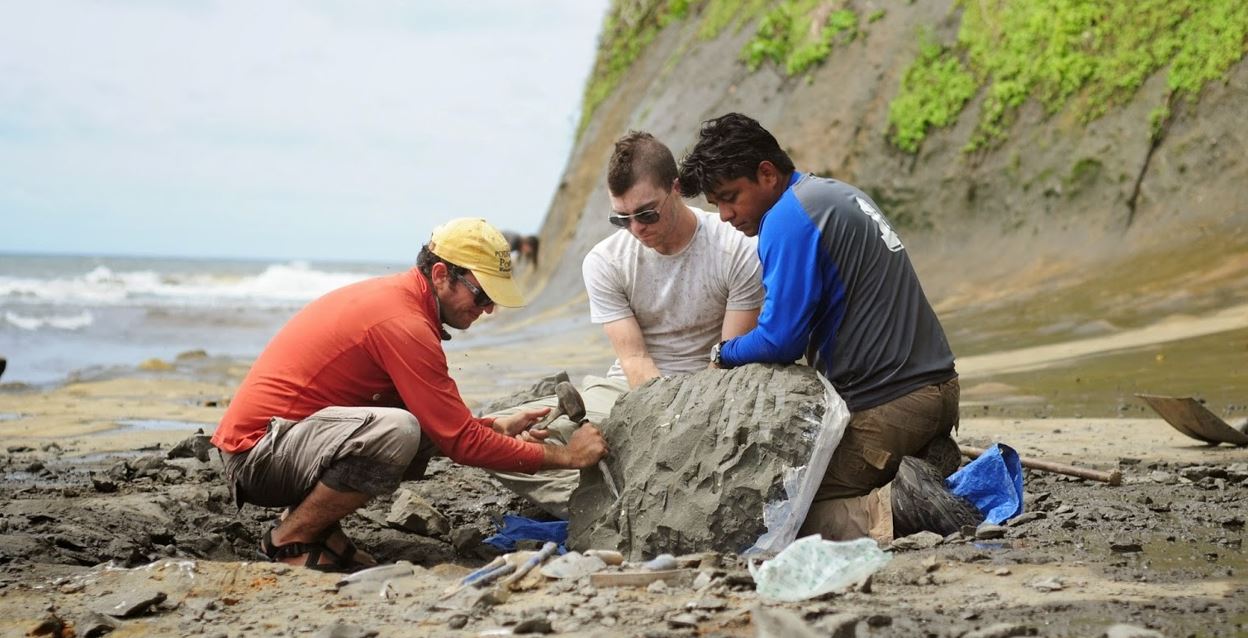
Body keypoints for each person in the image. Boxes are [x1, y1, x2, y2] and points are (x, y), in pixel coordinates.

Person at [210, 218, 608, 571]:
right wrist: (567, 457)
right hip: (256, 457)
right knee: (397, 430)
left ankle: (319, 527)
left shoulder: (405, 303)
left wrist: (496, 426)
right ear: (440, 274)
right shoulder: (404, 324)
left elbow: (448, 426)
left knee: (412, 422)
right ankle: (290, 538)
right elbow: (462, 443)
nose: (487, 310)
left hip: (286, 442)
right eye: (481, 295)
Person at [678, 112, 960, 541]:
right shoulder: (832, 193)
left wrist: (724, 353)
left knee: (778, 512)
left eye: (730, 196)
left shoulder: (786, 219)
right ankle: (922, 458)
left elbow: (779, 340)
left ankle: (896, 507)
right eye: (715, 203)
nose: (724, 215)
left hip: (890, 406)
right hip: (940, 391)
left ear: (767, 174)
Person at [488, 131, 765, 517]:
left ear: (677, 188)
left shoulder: (736, 248)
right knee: (499, 442)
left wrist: (684, 426)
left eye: (647, 214)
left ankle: (627, 498)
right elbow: (633, 359)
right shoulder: (605, 262)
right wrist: (659, 419)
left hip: (715, 388)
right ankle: (609, 508)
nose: (637, 229)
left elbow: (730, 361)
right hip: (630, 388)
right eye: (622, 218)